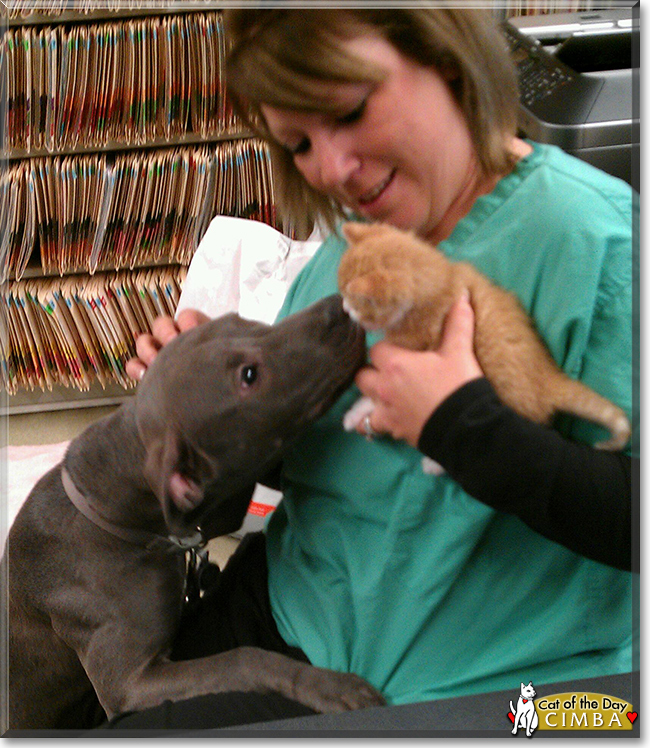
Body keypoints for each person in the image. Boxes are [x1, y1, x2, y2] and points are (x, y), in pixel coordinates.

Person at [119, 8, 637, 729]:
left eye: (351, 110)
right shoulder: (355, 239)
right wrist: (214, 402)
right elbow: (321, 471)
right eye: (298, 142)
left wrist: (468, 426)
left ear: (447, 58)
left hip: (493, 689)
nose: (330, 169)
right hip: (292, 628)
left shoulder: (599, 244)